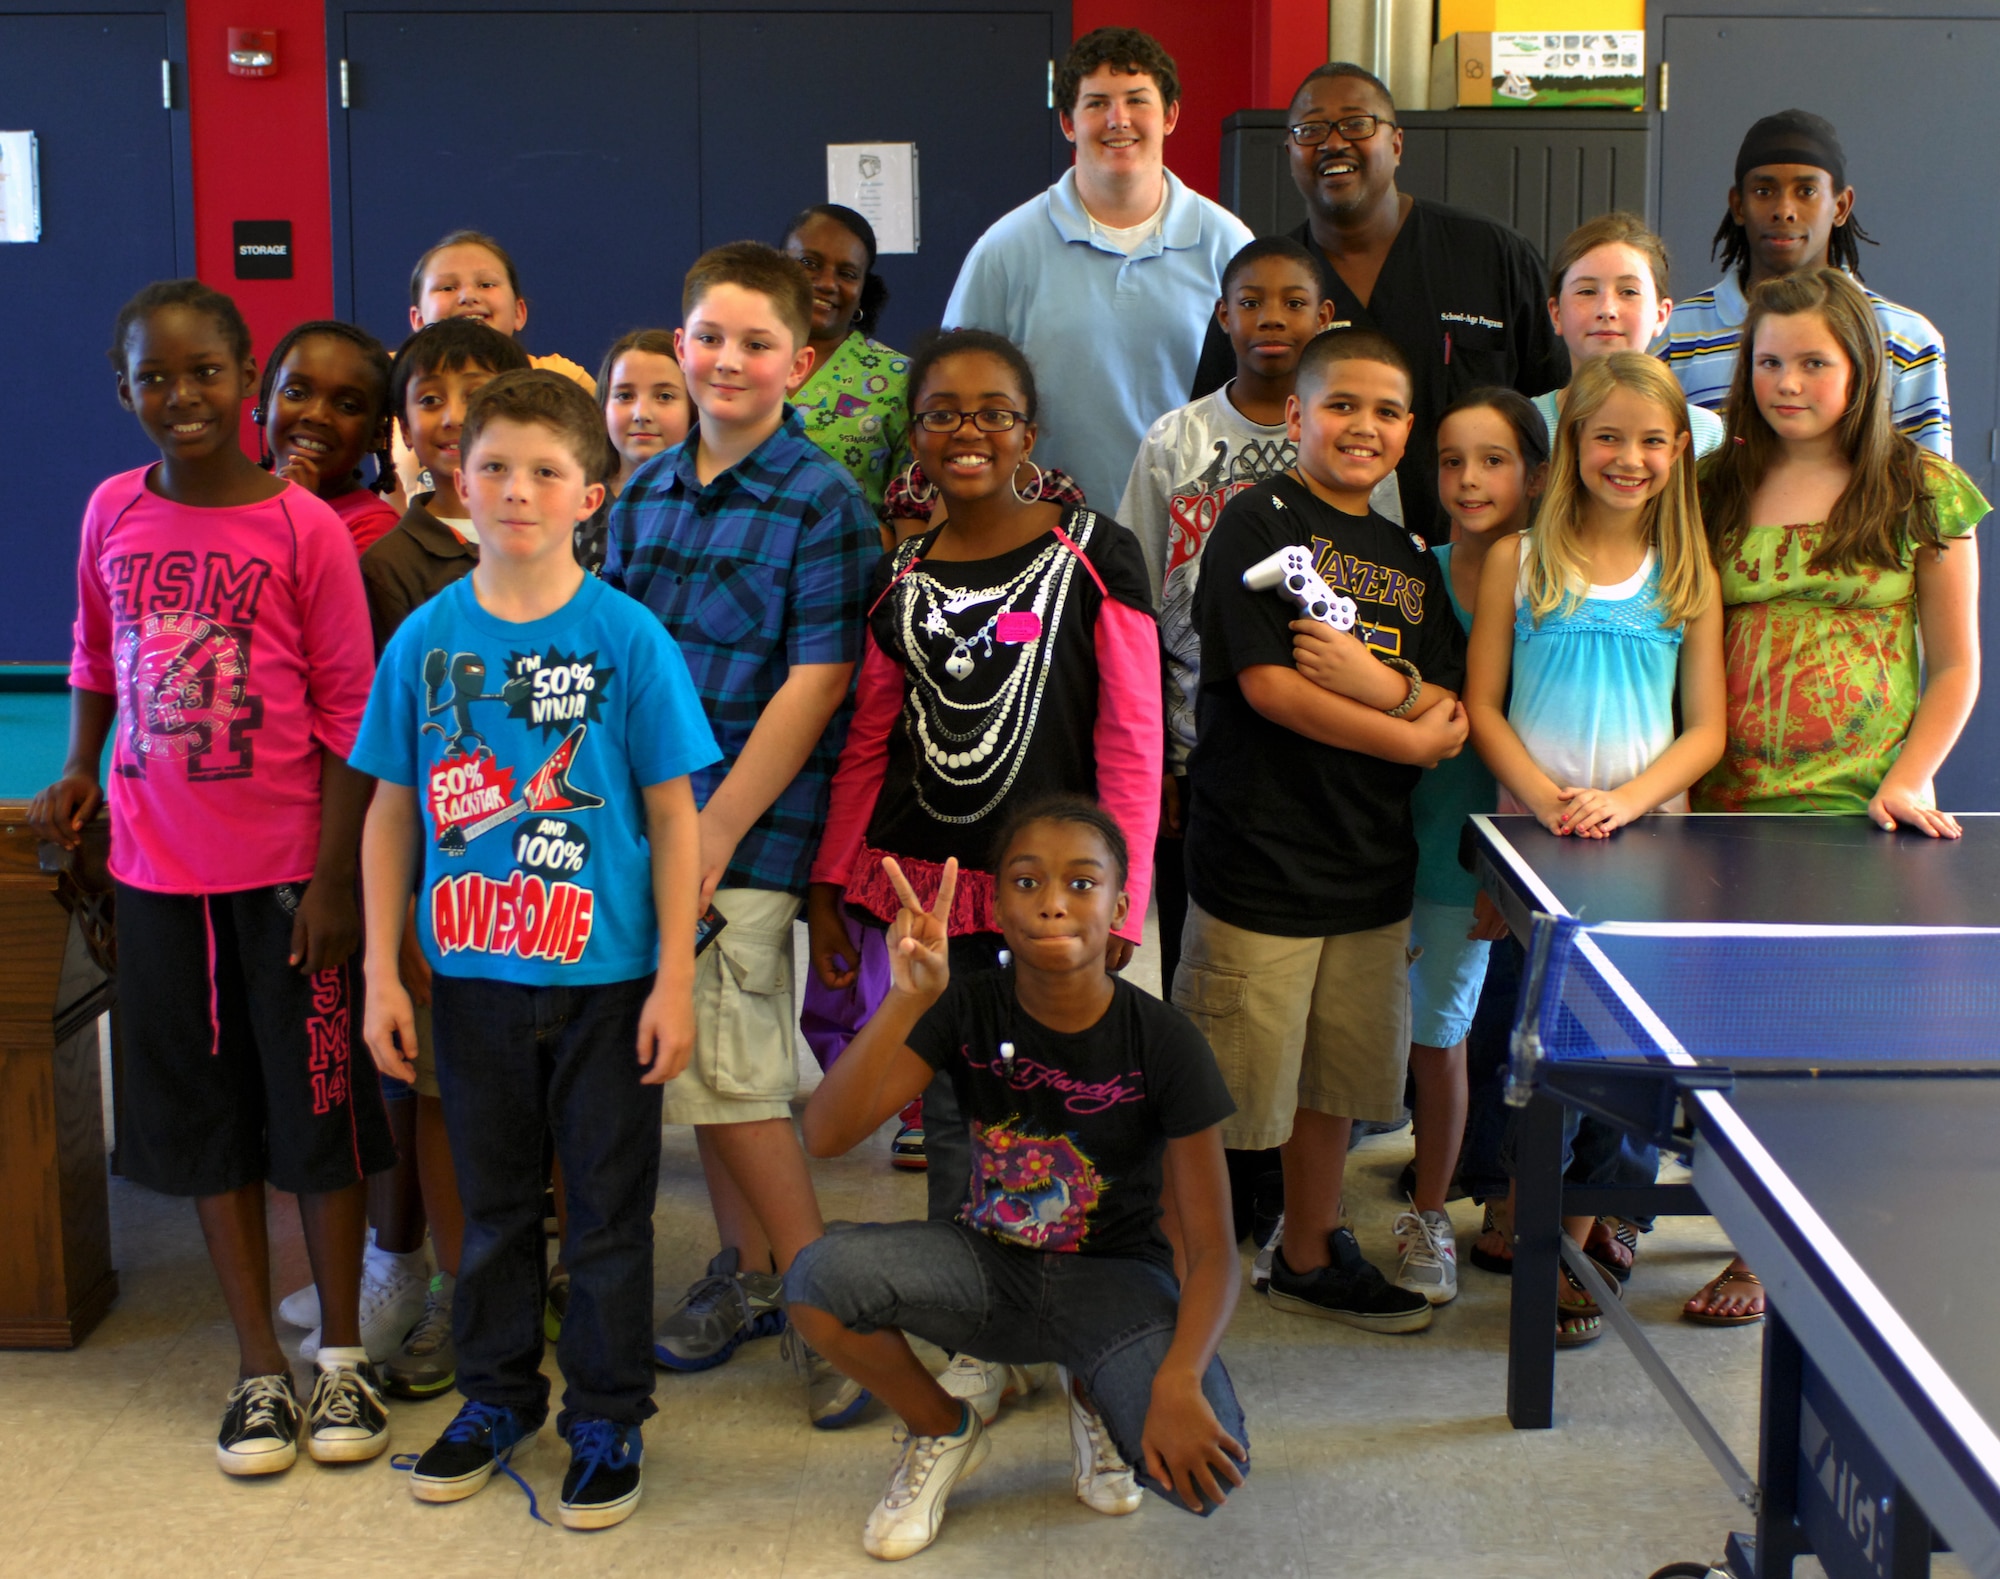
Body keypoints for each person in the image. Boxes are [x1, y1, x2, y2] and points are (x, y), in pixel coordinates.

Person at [31, 279, 391, 1476]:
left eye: (203, 374)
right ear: (122, 390)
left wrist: (337, 878)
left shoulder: (305, 532)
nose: (179, 397)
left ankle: (341, 1360)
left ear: (246, 380)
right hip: (155, 874)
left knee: (319, 1118)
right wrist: (79, 763)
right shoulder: (107, 512)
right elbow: (95, 651)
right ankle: (258, 1369)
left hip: (292, 881)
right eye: (153, 378)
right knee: (203, 1125)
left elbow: (349, 714)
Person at [353, 369, 717, 1530]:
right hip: (470, 983)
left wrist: (673, 977)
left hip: (609, 984)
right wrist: (378, 970)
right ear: (456, 480)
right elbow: (390, 811)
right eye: (493, 466)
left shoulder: (628, 638)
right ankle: (495, 1395)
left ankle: (607, 1412)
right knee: (496, 1211)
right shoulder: (424, 639)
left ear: (591, 496)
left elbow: (672, 814)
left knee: (607, 1212)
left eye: (545, 471)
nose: (516, 490)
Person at [807, 329, 1162, 1416]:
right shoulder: (897, 577)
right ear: (911, 438)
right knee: (955, 1111)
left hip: (1054, 895)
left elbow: (1132, 738)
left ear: (1029, 430)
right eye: (942, 413)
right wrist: (832, 884)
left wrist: (1121, 897)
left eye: (992, 411)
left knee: (1056, 1110)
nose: (967, 432)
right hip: (924, 890)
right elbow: (870, 737)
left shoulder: (1097, 555)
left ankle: (1066, 1308)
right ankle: (975, 1318)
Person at [787, 799, 1248, 1561]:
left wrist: (1178, 1379)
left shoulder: (1167, 1041)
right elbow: (827, 1133)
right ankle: (944, 1428)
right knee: (816, 1282)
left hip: (1116, 1282)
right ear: (995, 907)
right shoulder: (963, 1005)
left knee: (1199, 1472)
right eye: (1027, 882)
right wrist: (908, 996)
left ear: (1122, 906)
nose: (1054, 900)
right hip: (986, 1266)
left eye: (1081, 881)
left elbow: (1213, 1252)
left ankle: (1095, 1390)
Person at [604, 242, 876, 1416]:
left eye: (756, 344)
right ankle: (750, 1269)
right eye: (707, 337)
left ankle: (831, 1306)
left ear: (799, 363)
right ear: (678, 347)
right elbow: (613, 663)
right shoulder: (640, 493)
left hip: (745, 837)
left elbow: (816, 682)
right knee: (704, 1072)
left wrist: (710, 834)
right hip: (641, 824)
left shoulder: (822, 501)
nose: (727, 360)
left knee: (742, 1071)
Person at [1682, 268, 1985, 1324]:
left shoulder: (1919, 489)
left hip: (1861, 810)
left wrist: (1905, 775)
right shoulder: (1712, 485)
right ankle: (1741, 1222)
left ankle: (1771, 1246)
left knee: (1815, 1046)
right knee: (1735, 1038)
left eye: (1812, 360)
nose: (1785, 381)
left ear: (1859, 369)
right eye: (1767, 360)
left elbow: (1954, 665)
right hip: (1726, 805)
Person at [1173, 328, 1470, 1334]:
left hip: (1369, 872)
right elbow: (1269, 690)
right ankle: (1184, 1273)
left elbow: (1451, 708)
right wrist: (1405, 734)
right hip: (1259, 861)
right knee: (1223, 1095)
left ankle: (1304, 1251)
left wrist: (1382, 690)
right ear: (1295, 416)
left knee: (1333, 1085)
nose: (1363, 426)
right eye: (1341, 404)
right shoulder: (1256, 522)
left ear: (1407, 434)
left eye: (1386, 411)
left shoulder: (1410, 562)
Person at [1463, 351, 1725, 1342]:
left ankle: (1578, 1232)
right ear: (1571, 444)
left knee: (1624, 1057)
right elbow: (1484, 707)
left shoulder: (1687, 574)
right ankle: (1533, 1214)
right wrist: (1540, 801)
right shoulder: (1516, 559)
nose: (1628, 457)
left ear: (1676, 452)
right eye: (1606, 436)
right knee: (1542, 1050)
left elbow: (1703, 730)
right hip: (1537, 847)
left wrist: (1619, 803)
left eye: (1651, 440)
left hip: (1641, 848)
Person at [327, 317, 532, 1401]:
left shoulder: (559, 535)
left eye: (476, 391)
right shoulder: (391, 565)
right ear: (402, 429)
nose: (453, 418)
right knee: (446, 1098)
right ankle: (463, 1291)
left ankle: (514, 1276)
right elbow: (386, 760)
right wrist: (394, 914)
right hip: (441, 885)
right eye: (429, 400)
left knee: (534, 1087)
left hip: (547, 877)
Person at [1191, 62, 1564, 542]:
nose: (1332, 143)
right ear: (1289, 152)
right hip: (1313, 574)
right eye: (1310, 130)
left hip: (1483, 565)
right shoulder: (1266, 286)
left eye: (1356, 124)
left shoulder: (1493, 256)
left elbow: (1555, 414)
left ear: (1396, 143)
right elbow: (1212, 427)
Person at [1375, 388, 1547, 1306]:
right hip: (1374, 848)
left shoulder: (1551, 587)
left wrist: (1505, 870)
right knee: (1361, 1038)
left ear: (1534, 473)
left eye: (1492, 460)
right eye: (1451, 460)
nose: (1469, 479)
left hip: (1468, 861)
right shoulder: (1408, 570)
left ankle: (1431, 1210)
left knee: (1441, 1040)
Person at [943, 27, 1252, 512]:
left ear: (1170, 115)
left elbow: (1263, 395)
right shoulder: (1004, 250)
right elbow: (955, 392)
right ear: (1068, 123)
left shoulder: (1228, 244)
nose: (1119, 119)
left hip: (1195, 530)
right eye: (1096, 103)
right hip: (1046, 529)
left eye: (1137, 100)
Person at [1663, 110, 1950, 456]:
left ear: (1840, 206)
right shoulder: (1673, 335)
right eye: (1764, 190)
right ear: (1738, 205)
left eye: (1806, 191)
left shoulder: (1906, 341)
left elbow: (1931, 497)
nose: (1784, 209)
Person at [388, 229, 600, 505]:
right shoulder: (392, 374)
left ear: (519, 312)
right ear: (416, 319)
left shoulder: (559, 377)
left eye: (486, 284)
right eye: (447, 287)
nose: (467, 296)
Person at [1540, 212, 1726, 459]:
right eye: (1586, 291)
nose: (1607, 310)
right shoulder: (1522, 424)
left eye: (1628, 292)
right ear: (1556, 313)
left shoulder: (1703, 433)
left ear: (1661, 315)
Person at [782, 204, 912, 525]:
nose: (827, 283)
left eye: (847, 274)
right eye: (809, 263)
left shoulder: (902, 379)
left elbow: (914, 508)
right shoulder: (735, 362)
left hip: (854, 566)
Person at [256, 319, 400, 554]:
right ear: (266, 404)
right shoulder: (239, 496)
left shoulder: (375, 528)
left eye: (347, 406)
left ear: (377, 434)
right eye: (295, 393)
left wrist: (300, 515)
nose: (316, 415)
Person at [581, 328, 692, 572]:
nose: (641, 414)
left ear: (693, 408)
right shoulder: (574, 499)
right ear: (603, 408)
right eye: (625, 396)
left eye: (664, 396)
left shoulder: (708, 506)